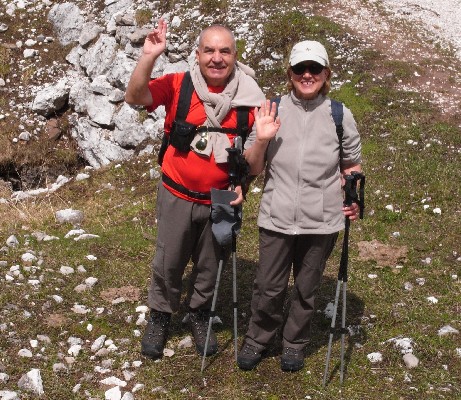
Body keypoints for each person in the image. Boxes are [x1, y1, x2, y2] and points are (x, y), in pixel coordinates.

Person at [124, 18, 264, 359]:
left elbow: (254, 159)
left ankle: (200, 313)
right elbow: (134, 96)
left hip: (222, 199)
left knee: (211, 263)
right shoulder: (177, 85)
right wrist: (149, 56)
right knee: (168, 261)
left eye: (225, 51)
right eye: (209, 50)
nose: (217, 58)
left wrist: (244, 184)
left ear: (235, 56)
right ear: (198, 54)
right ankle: (160, 315)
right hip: (176, 193)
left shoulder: (250, 100)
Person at [237, 40, 363, 372]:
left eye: (315, 69)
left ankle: (294, 342)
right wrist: (261, 138)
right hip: (276, 216)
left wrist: (353, 198)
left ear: (326, 73)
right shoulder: (271, 108)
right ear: (289, 73)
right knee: (268, 285)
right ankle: (258, 338)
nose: (307, 75)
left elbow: (351, 166)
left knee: (307, 287)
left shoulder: (339, 114)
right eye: (300, 69)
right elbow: (252, 167)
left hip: (322, 220)